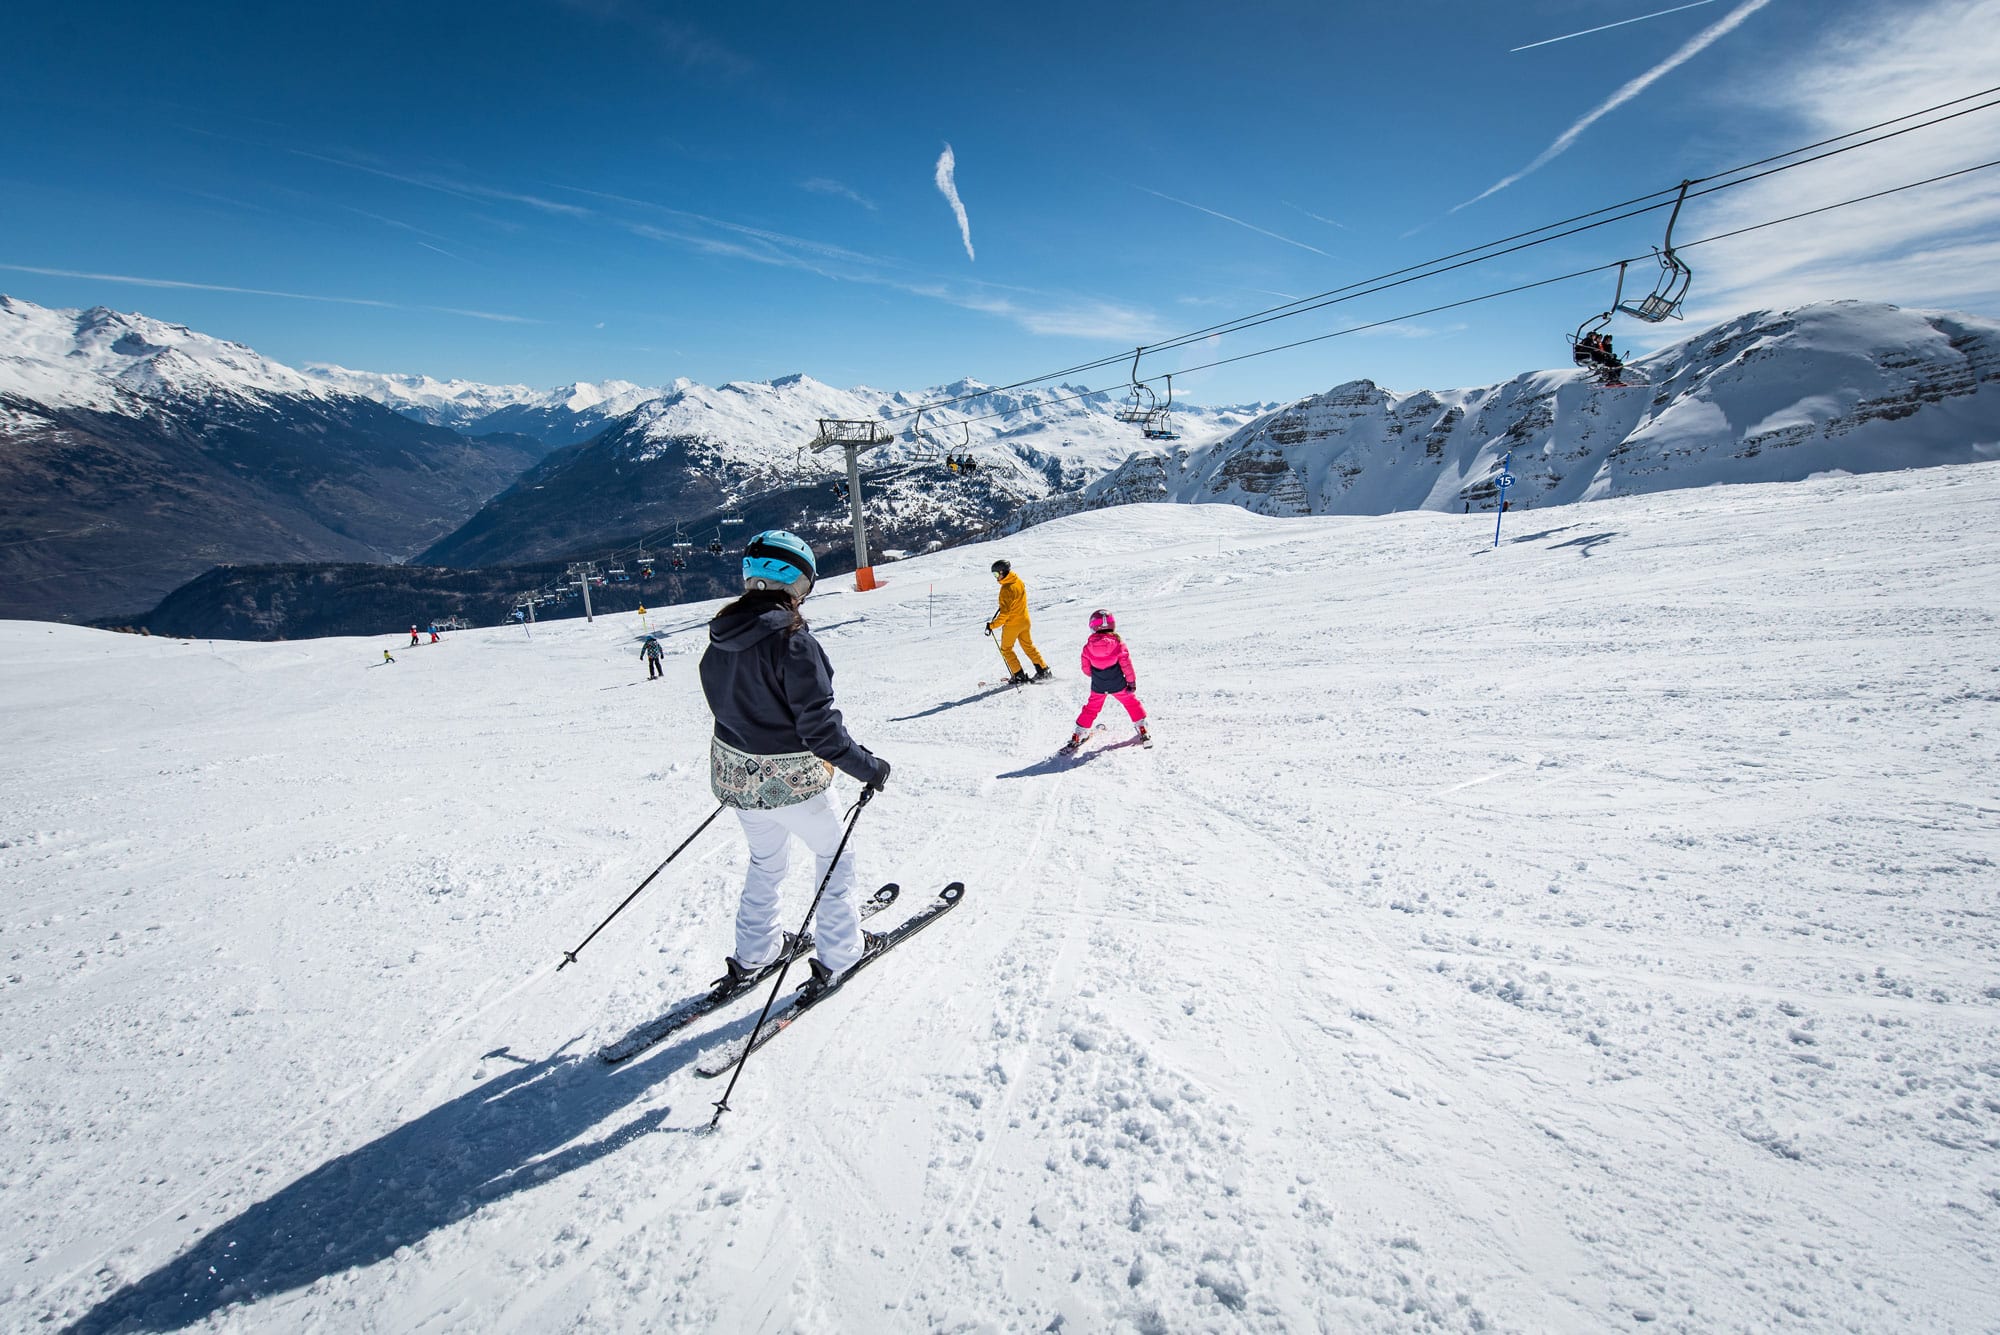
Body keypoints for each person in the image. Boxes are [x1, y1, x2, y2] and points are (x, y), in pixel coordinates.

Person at [699, 530, 893, 994]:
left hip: (736, 779)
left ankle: (756, 952)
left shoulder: (721, 636)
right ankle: (842, 951)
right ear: (798, 583)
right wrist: (869, 767)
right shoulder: (792, 641)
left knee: (766, 860)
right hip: (789, 782)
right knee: (833, 856)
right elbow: (821, 731)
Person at [1063, 609, 1149, 751]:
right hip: (1118, 683)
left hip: (1098, 685)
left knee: (1091, 708)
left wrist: (1096, 674)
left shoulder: (1088, 647)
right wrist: (1131, 682)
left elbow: (1086, 669)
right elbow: (1126, 665)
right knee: (1131, 702)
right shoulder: (1118, 644)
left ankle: (1079, 733)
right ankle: (1141, 726)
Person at [986, 559, 1052, 684]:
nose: (995, 578)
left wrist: (992, 626)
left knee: (1006, 649)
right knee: (1028, 646)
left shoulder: (1005, 589)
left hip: (1013, 625)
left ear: (1003, 572)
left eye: (996, 574)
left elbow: (1005, 615)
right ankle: (1043, 670)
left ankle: (1019, 675)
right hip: (1025, 621)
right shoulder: (1018, 581)